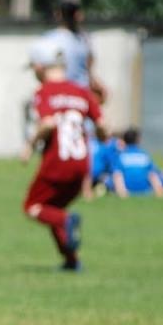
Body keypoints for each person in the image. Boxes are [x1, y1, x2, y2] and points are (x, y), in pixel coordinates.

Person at [23, 43, 102, 271]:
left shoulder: (43, 92)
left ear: (39, 67)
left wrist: (29, 145)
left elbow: (47, 123)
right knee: (53, 208)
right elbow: (103, 126)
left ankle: (66, 223)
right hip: (81, 164)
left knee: (33, 206)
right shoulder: (81, 92)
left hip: (57, 162)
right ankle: (72, 261)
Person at [36, 0, 105, 102]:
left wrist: (95, 84)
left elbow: (88, 65)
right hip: (60, 96)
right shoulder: (50, 39)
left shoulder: (84, 38)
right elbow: (40, 68)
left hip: (82, 95)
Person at [106, 127, 163, 197]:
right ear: (138, 140)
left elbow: (117, 175)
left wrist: (122, 192)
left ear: (124, 141)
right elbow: (153, 175)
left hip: (128, 191)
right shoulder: (144, 156)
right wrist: (159, 191)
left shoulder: (121, 157)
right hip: (145, 192)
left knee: (109, 180)